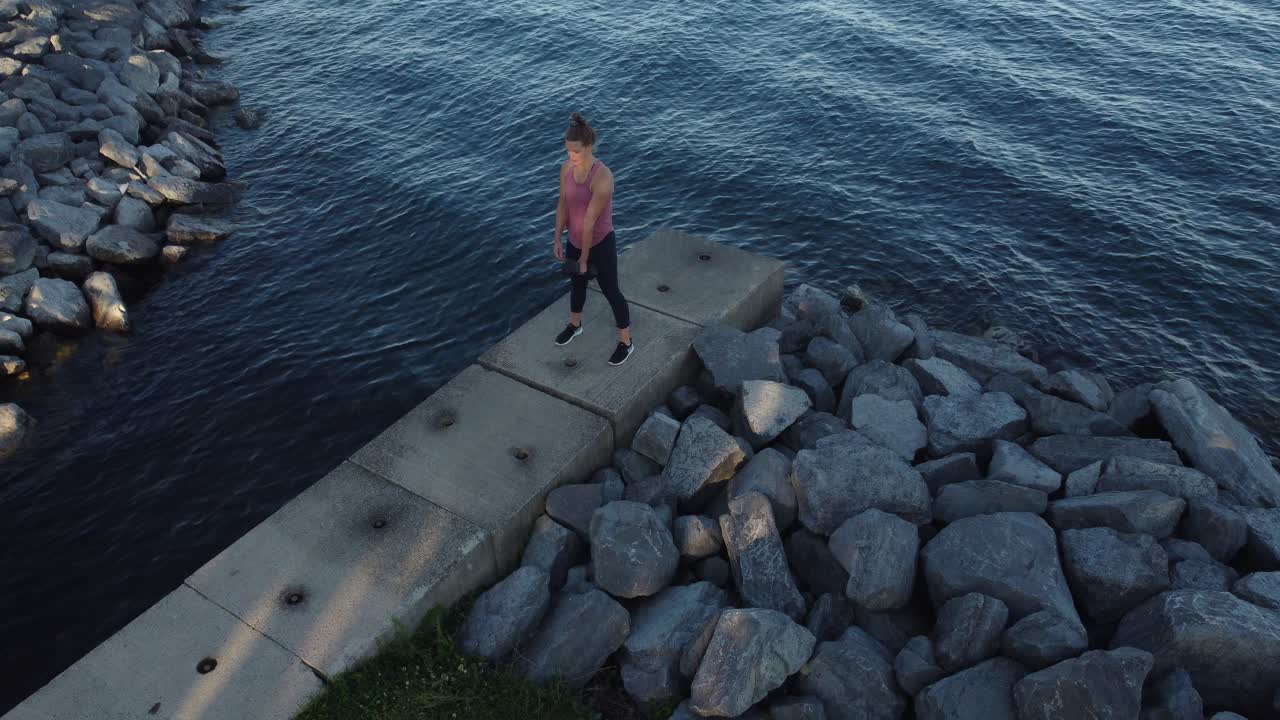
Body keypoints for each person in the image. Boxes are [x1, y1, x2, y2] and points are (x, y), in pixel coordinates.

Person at [553, 111, 634, 366]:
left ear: (589, 147)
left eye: (575, 152)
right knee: (576, 286)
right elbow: (563, 204)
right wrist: (557, 238)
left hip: (599, 244)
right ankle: (575, 325)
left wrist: (585, 260)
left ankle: (626, 342)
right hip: (575, 241)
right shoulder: (566, 168)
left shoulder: (603, 178)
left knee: (611, 291)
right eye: (568, 151)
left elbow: (589, 223)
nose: (571, 156)